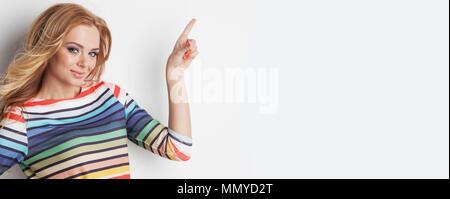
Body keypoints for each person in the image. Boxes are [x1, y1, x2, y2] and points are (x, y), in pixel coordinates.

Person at [0, 3, 198, 179]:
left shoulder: (110, 97)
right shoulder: (22, 122)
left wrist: (175, 74)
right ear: (48, 47)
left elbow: (178, 149)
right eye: (73, 49)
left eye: (92, 53)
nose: (85, 63)